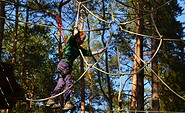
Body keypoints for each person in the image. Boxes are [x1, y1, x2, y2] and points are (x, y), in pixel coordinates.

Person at [46, 26, 106, 110]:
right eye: (81, 39)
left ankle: (51, 100)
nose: (82, 41)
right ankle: (67, 102)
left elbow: (89, 53)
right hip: (65, 64)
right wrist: (76, 29)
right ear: (77, 38)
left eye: (84, 39)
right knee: (68, 83)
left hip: (63, 65)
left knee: (60, 84)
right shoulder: (71, 42)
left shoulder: (79, 49)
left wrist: (99, 51)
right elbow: (74, 35)